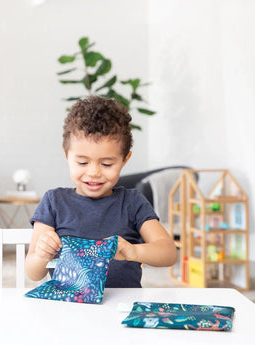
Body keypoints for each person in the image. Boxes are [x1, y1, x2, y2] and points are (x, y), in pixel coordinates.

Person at [25, 96, 177, 287]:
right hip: (68, 309)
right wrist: (41, 254)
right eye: (82, 162)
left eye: (107, 164)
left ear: (124, 159)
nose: (94, 172)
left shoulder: (133, 202)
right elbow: (32, 272)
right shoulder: (54, 201)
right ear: (67, 155)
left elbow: (168, 253)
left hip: (121, 308)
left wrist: (133, 252)